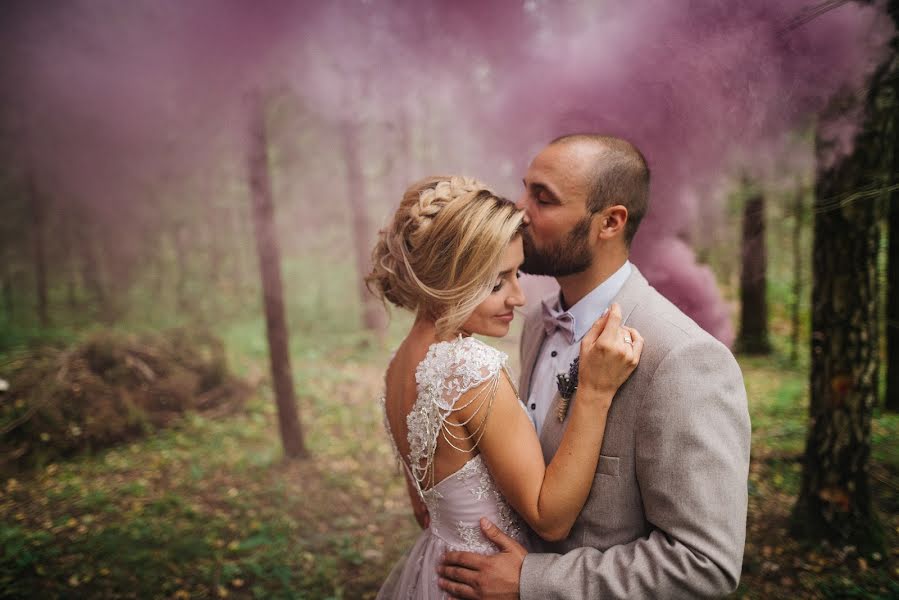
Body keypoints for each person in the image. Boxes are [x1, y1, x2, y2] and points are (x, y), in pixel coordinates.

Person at [438, 135, 751, 599]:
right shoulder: (535, 325)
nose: (519, 210)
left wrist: (532, 582)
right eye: (524, 189)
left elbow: (704, 565)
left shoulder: (685, 360)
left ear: (610, 222)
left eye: (542, 198)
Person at [367, 175, 644, 599]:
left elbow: (424, 509)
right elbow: (549, 519)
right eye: (497, 282)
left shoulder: (398, 365)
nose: (517, 297)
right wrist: (595, 391)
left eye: (516, 274)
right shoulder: (469, 369)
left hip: (436, 570)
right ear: (447, 277)